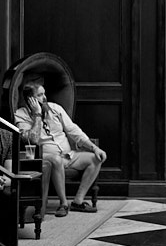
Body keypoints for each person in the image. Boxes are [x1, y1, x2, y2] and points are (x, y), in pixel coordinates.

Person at [14, 82, 107, 216]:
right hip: (46, 159)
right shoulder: (21, 114)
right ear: (30, 99)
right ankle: (63, 203)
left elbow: (73, 130)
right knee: (56, 159)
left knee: (95, 158)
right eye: (40, 95)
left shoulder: (55, 108)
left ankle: (77, 201)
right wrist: (37, 115)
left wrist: (94, 148)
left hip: (69, 155)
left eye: (44, 93)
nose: (44, 97)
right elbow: (32, 139)